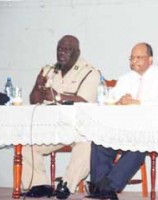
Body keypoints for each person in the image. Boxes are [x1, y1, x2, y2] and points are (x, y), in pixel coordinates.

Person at [87, 42, 158, 200]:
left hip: (151, 130)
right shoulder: (125, 79)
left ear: (150, 59)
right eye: (132, 58)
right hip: (124, 129)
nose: (134, 61)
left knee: (138, 147)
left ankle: (108, 187)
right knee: (99, 141)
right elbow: (108, 100)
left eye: (139, 57)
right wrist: (119, 102)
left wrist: (139, 103)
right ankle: (100, 187)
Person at [22, 35, 100, 199]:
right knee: (26, 143)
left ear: (77, 52)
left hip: (77, 128)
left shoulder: (90, 72)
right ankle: (39, 184)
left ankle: (66, 185)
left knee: (87, 144)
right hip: (52, 127)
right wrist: (37, 86)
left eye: (67, 49)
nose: (62, 52)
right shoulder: (49, 70)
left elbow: (85, 102)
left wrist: (57, 97)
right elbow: (34, 101)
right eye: (59, 48)